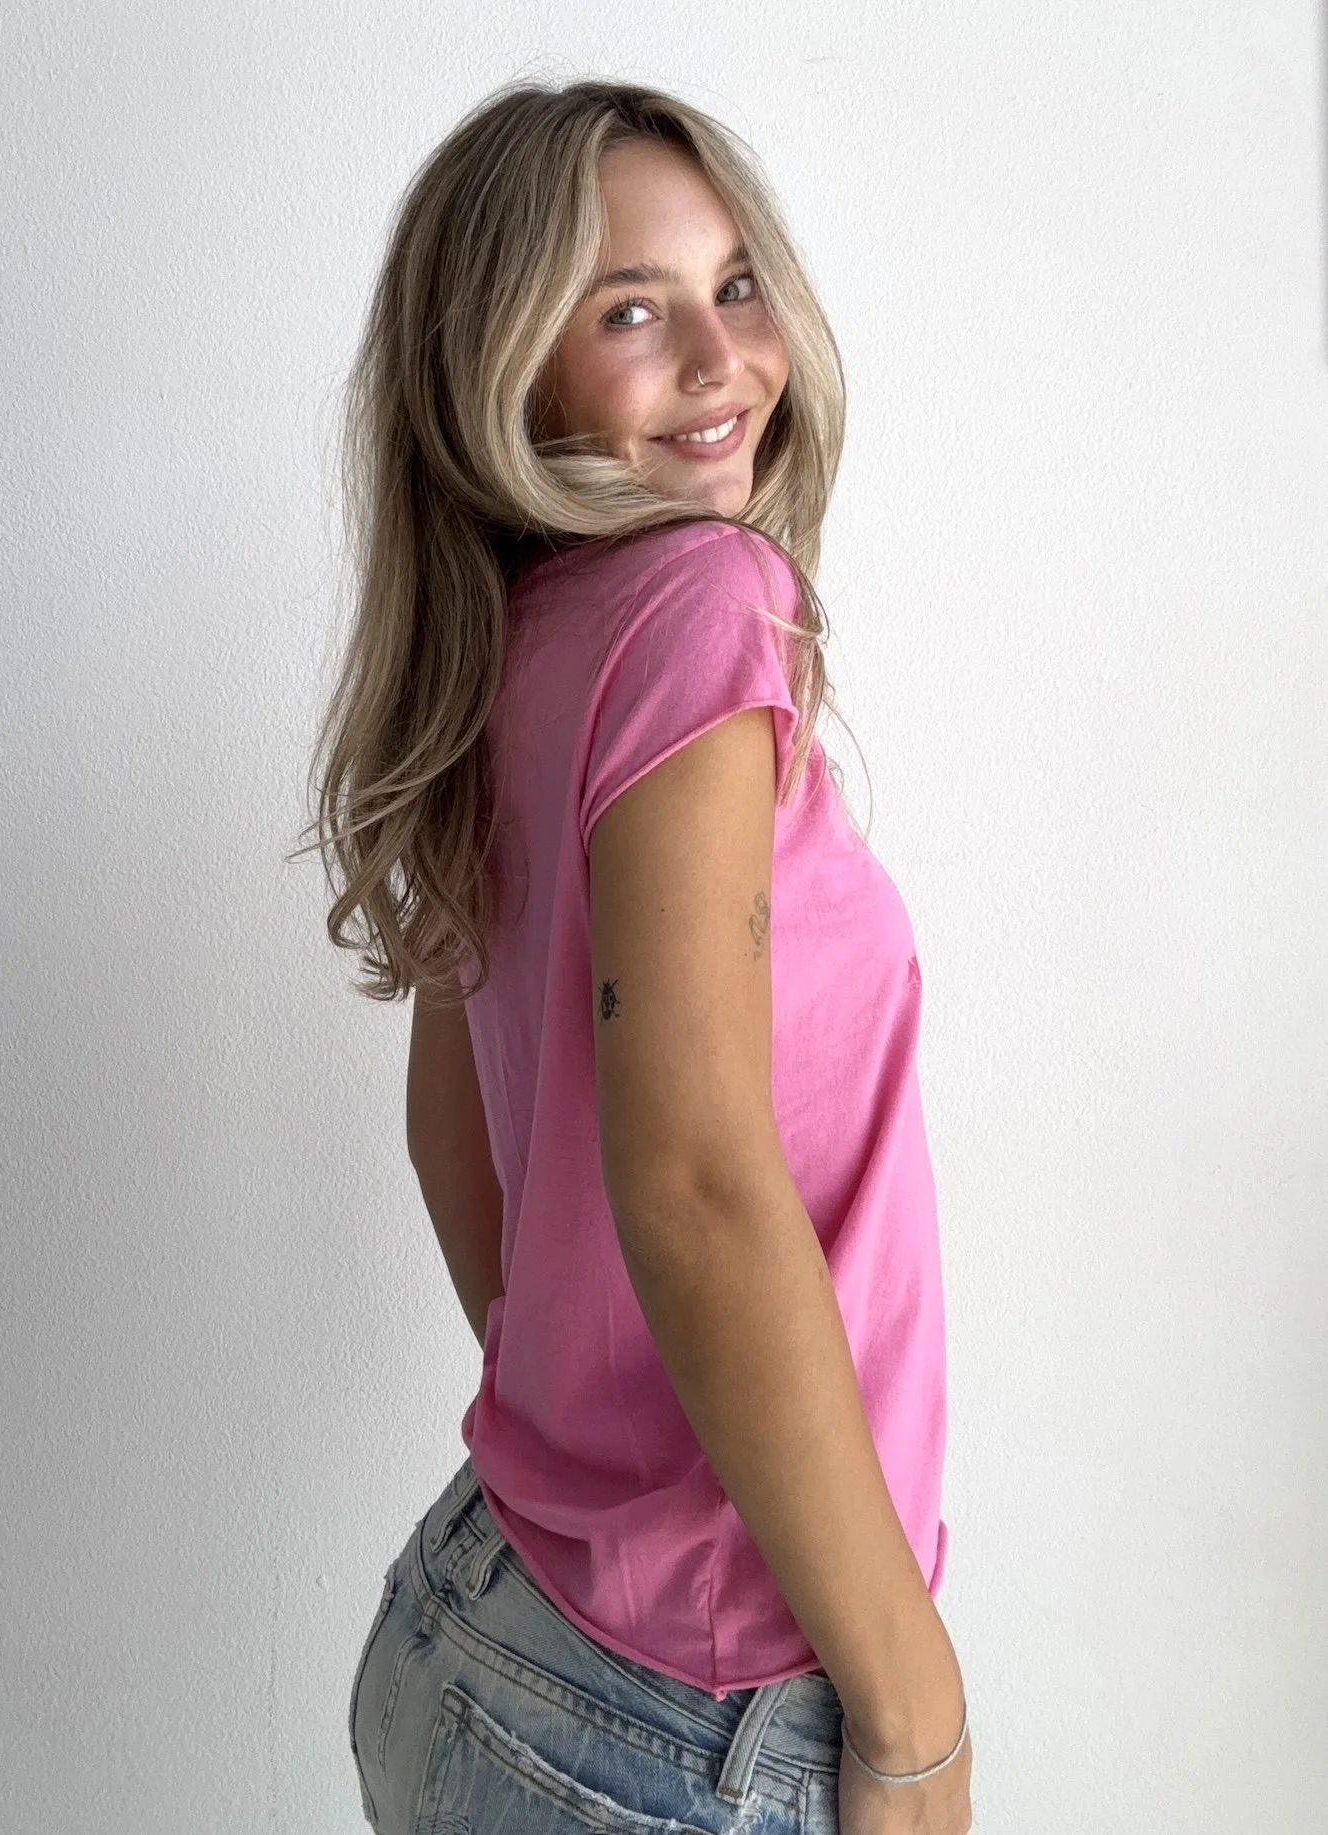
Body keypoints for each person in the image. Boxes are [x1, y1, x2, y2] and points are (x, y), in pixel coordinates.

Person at [294, 76, 973, 1835]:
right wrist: (915, 1714)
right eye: (629, 311)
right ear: (509, 367)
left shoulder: (515, 637)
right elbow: (690, 1182)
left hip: (483, 1616)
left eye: (735, 285)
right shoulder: (698, 605)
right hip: (683, 1721)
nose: (720, 355)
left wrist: (603, 1434)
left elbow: (454, 1129)